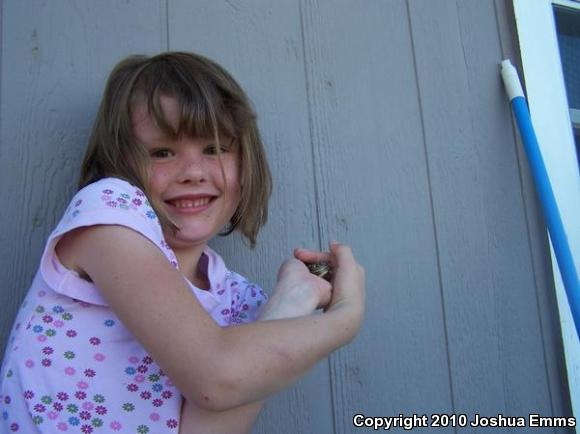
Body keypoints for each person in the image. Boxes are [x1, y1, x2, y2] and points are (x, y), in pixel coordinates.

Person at [0, 52, 365, 434]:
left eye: (215, 148)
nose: (193, 172)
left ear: (245, 160)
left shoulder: (239, 303)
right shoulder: (106, 213)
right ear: (121, 159)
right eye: (162, 152)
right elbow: (215, 377)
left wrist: (293, 301)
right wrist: (344, 319)